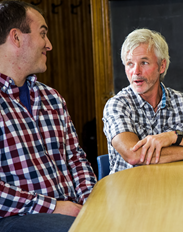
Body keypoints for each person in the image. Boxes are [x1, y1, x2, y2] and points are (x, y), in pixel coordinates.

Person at [0, 1, 96, 232]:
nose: (49, 45)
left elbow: (75, 158)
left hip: (69, 210)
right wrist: (53, 207)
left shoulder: (52, 97)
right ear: (16, 38)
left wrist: (90, 201)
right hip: (15, 218)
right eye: (43, 34)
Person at [103, 28, 183, 173]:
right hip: (130, 191)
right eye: (130, 64)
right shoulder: (117, 105)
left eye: (144, 62)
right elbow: (134, 155)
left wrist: (174, 136)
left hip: (176, 189)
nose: (136, 72)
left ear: (162, 66)